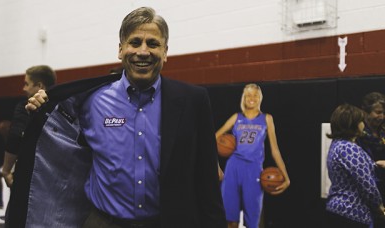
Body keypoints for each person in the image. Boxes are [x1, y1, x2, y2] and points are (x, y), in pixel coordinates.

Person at [14, 6, 226, 227]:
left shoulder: (193, 101)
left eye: (153, 44)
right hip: (103, 221)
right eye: (135, 42)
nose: (143, 51)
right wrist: (41, 108)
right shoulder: (90, 101)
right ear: (120, 49)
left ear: (165, 52)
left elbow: (208, 181)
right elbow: (57, 137)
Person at [215, 83, 290, 228]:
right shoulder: (236, 117)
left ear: (260, 98)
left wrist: (286, 177)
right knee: (230, 220)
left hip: (254, 169)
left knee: (253, 221)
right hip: (233, 167)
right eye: (248, 95)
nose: (252, 98)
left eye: (255, 95)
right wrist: (217, 167)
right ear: (244, 98)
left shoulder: (267, 118)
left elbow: (275, 150)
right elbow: (213, 138)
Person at [326, 104, 385, 228]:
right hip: (351, 212)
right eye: (361, 120)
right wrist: (380, 208)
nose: (363, 124)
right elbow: (367, 185)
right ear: (353, 124)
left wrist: (374, 165)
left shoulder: (337, 144)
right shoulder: (350, 148)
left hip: (337, 209)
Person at [1, 65, 56, 188]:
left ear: (40, 86)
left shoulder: (25, 107)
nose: (24, 88)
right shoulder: (62, 106)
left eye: (27, 84)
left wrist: (6, 171)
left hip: (29, 175)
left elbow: (15, 136)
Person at [357, 92, 385, 228]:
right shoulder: (357, 133)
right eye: (378, 112)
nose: (382, 117)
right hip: (366, 188)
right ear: (365, 112)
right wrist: (377, 165)